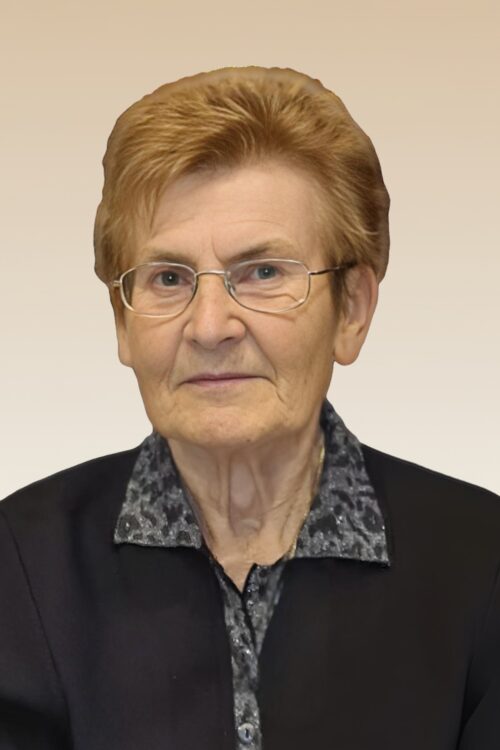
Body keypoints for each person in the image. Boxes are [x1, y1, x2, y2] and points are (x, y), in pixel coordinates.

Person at [0, 65, 499, 750]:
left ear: (351, 310)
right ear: (122, 321)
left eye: (263, 272)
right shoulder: (20, 566)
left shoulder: (481, 564)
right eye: (168, 278)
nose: (210, 326)